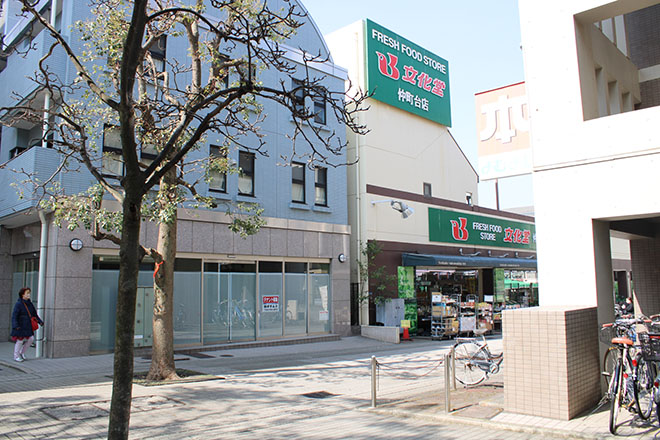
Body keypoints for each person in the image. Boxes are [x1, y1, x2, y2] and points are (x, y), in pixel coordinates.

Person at [11, 287, 43, 362]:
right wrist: (15, 325)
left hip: (28, 325)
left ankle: (21, 353)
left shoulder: (30, 304)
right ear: (22, 294)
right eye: (27, 293)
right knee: (20, 340)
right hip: (20, 325)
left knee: (31, 339)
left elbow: (34, 314)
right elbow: (14, 316)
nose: (29, 295)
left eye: (29, 293)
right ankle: (16, 356)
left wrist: (40, 321)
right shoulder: (18, 304)